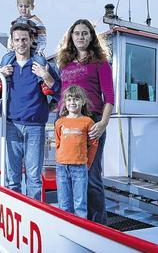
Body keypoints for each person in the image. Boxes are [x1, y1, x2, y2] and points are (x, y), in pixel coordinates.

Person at [0, 22, 61, 200]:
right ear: (12, 42)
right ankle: (15, 213)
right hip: (11, 126)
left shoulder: (41, 65)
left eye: (24, 39)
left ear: (31, 40)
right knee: (13, 179)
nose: (21, 43)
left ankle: (32, 216)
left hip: (35, 127)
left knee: (34, 178)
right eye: (17, 40)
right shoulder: (5, 66)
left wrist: (46, 76)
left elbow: (60, 93)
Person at [56, 19, 114, 224]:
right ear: (71, 37)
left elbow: (109, 97)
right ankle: (73, 222)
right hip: (67, 123)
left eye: (85, 33)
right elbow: (59, 94)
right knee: (67, 176)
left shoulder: (100, 63)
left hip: (92, 123)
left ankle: (99, 225)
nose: (81, 37)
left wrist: (103, 123)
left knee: (91, 176)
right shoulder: (64, 64)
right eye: (77, 33)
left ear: (91, 37)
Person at [0, 0, 53, 95]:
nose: (23, 9)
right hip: (16, 50)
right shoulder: (16, 22)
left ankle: (43, 83)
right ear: (17, 7)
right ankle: (0, 80)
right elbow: (11, 37)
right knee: (6, 59)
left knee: (41, 61)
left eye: (26, 6)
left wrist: (39, 50)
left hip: (33, 50)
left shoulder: (37, 22)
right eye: (21, 6)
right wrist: (10, 47)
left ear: (32, 7)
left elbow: (42, 38)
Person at [55, 85, 98, 218]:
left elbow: (94, 144)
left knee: (80, 203)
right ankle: (65, 227)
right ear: (65, 103)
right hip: (61, 167)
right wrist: (60, 159)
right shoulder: (59, 122)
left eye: (76, 99)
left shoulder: (88, 122)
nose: (72, 103)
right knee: (63, 203)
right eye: (69, 100)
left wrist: (88, 164)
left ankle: (82, 228)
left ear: (83, 101)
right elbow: (58, 143)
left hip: (80, 167)